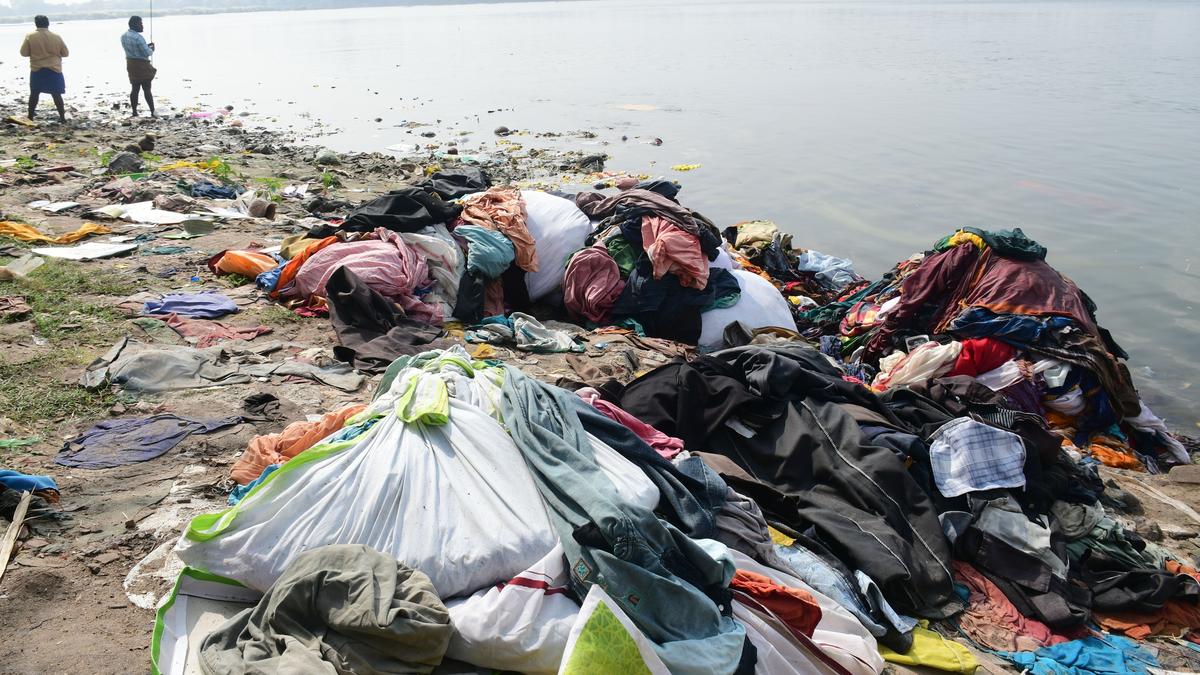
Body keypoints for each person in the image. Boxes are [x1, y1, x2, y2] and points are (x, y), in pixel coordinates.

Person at [19, 15, 69, 123]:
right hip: (54, 69)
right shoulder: (56, 37)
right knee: (56, 95)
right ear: (48, 24)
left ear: (36, 24)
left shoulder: (30, 36)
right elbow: (65, 53)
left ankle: (30, 117)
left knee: (34, 94)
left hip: (37, 69)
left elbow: (24, 53)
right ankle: (62, 118)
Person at [121, 15, 157, 117]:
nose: (142, 26)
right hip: (142, 65)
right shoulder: (139, 38)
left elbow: (133, 50)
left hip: (131, 64)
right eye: (140, 24)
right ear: (135, 25)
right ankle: (152, 111)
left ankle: (134, 112)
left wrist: (146, 47)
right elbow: (147, 53)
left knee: (135, 88)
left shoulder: (123, 36)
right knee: (147, 89)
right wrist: (152, 48)